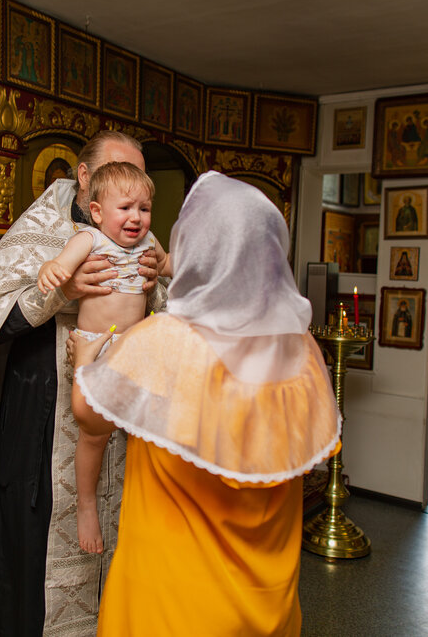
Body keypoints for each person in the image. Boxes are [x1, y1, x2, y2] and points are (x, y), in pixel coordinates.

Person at [0, 131, 164, 636]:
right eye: (116, 175)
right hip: (42, 419)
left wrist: (157, 285)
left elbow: (168, 312)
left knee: (118, 553)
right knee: (34, 560)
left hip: (124, 421)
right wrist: (60, 291)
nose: (130, 195)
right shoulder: (40, 230)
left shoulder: (139, 234)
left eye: (139, 182)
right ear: (86, 179)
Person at [72, 171, 341, 635]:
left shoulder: (166, 341)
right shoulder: (302, 351)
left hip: (172, 601)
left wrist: (83, 359)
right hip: (266, 606)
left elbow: (89, 415)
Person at [37, 161, 170, 553]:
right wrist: (53, 269)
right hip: (95, 350)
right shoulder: (89, 240)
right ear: (97, 212)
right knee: (94, 436)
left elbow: (168, 266)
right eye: (125, 208)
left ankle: (150, 505)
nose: (136, 218)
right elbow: (62, 265)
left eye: (144, 209)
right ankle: (87, 504)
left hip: (136, 352)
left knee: (150, 431)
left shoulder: (149, 244)